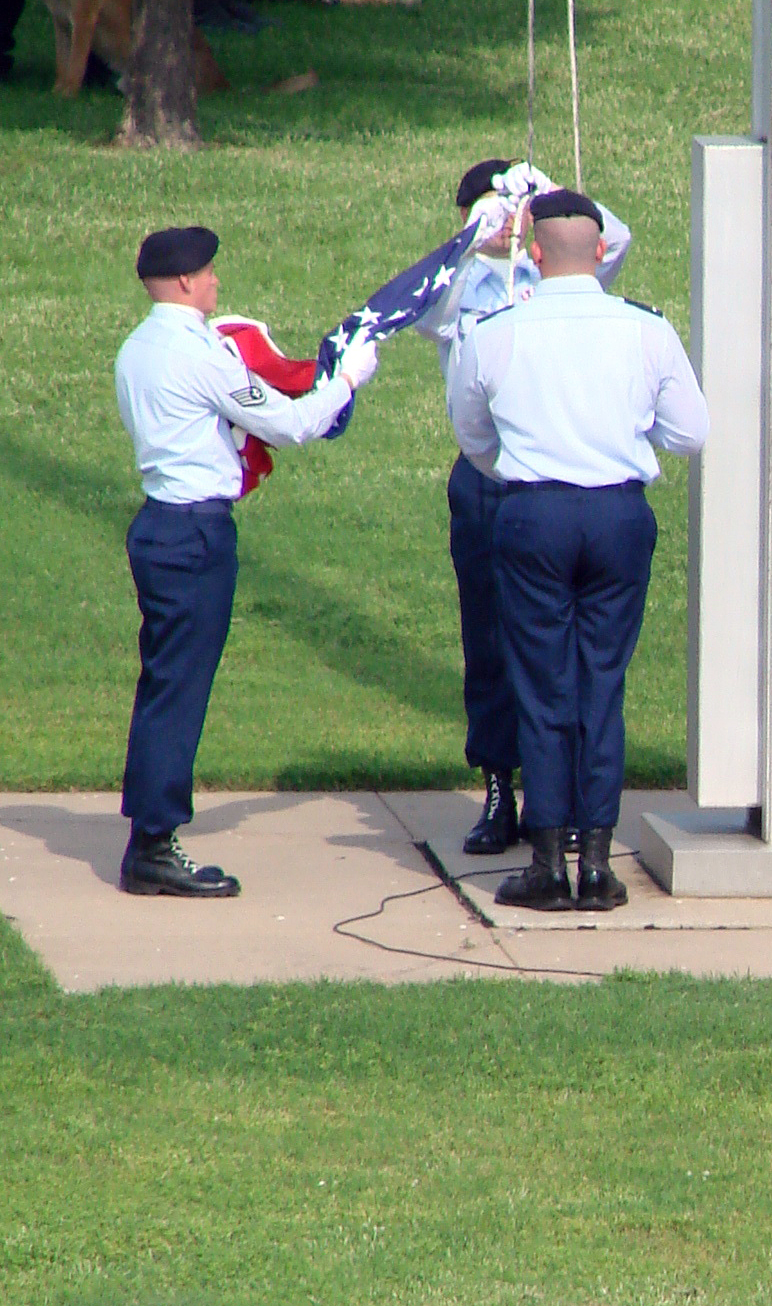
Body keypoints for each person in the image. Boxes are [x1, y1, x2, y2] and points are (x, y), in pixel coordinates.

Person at [447, 188, 707, 911]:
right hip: (618, 513)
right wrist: (626, 437)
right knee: (601, 686)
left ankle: (545, 863)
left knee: (542, 689)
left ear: (533, 253)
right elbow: (691, 431)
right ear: (599, 251)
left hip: (533, 514)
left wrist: (525, 468)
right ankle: (595, 862)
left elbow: (472, 436)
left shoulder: (497, 330)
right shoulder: (645, 329)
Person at [113, 226, 379, 896]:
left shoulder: (138, 346)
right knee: (179, 690)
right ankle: (153, 845)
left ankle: (149, 833)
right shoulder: (199, 355)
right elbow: (289, 424)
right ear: (182, 282)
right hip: (193, 534)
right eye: (206, 272)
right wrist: (346, 380)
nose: (215, 281)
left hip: (160, 525)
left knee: (165, 684)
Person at [421, 158, 633, 856]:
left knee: (563, 650)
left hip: (552, 471)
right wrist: (472, 240)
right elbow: (424, 305)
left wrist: (543, 190)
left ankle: (562, 799)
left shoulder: (553, 270)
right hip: (488, 474)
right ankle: (498, 788)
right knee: (488, 639)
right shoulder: (456, 285)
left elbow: (613, 238)